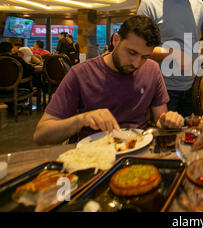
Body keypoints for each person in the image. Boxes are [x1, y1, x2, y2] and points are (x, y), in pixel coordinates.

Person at [33, 16, 184, 146]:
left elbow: (160, 119)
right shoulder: (81, 73)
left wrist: (167, 121)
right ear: (116, 40)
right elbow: (41, 135)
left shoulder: (152, 70)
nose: (137, 64)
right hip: (95, 155)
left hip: (138, 150)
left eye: (145, 57)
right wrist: (81, 119)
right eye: (132, 53)